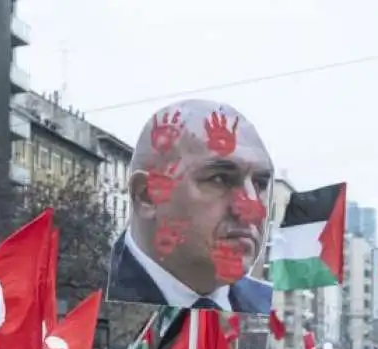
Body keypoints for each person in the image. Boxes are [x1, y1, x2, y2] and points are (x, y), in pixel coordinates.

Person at [106, 99, 273, 313]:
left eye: (260, 184)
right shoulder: (81, 292)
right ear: (147, 196)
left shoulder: (265, 308)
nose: (251, 209)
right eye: (220, 179)